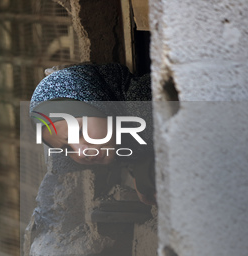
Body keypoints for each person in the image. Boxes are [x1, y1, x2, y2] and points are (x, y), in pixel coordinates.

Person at [30, 63, 156, 205]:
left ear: (97, 102)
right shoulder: (126, 142)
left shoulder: (146, 102)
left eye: (79, 132)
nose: (81, 153)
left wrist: (146, 174)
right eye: (67, 149)